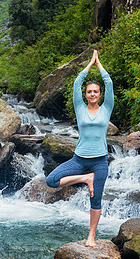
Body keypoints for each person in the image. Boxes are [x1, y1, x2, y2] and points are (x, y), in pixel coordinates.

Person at [45, 50, 114, 247]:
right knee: (51, 180)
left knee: (96, 199)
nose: (92, 94)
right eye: (89, 91)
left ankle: (91, 236)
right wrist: (88, 65)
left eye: (95, 91)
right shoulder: (80, 108)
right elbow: (76, 83)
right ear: (85, 94)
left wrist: (99, 64)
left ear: (100, 95)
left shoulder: (106, 108)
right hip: (79, 159)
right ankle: (86, 178)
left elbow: (108, 83)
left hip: (100, 160)